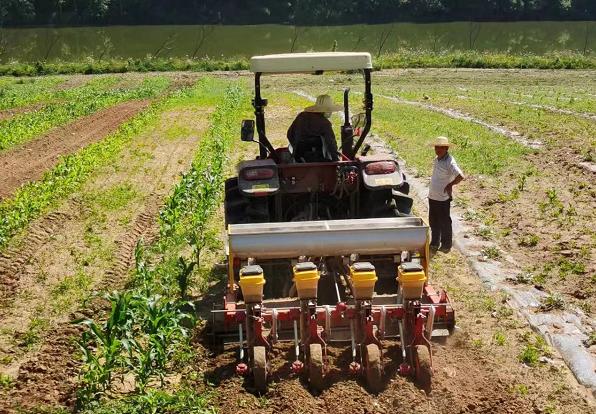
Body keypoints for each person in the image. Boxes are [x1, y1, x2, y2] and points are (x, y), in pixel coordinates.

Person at [428, 136, 465, 252]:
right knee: (433, 221)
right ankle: (435, 242)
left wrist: (450, 185)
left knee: (444, 221)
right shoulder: (437, 159)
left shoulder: (450, 161)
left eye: (440, 148)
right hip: (433, 196)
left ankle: (446, 245)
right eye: (436, 147)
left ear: (446, 148)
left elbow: (460, 176)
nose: (437, 150)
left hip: (443, 198)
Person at [287, 94, 342, 162]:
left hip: (298, 155)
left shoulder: (301, 116)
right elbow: (331, 143)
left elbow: (289, 133)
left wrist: (295, 147)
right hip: (316, 158)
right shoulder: (324, 123)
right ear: (327, 111)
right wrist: (335, 159)